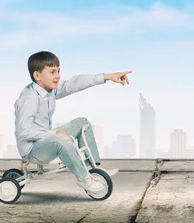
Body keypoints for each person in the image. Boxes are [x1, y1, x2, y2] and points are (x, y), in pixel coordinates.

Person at [14, 51, 132, 194]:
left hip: (44, 140)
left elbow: (74, 83)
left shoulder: (50, 90)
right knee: (62, 140)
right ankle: (84, 180)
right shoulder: (30, 98)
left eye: (58, 71)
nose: (58, 76)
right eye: (52, 72)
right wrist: (54, 134)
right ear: (37, 76)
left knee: (83, 123)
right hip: (32, 150)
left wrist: (108, 77)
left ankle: (92, 169)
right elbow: (24, 130)